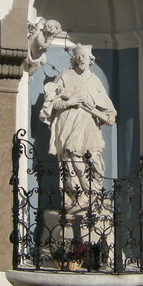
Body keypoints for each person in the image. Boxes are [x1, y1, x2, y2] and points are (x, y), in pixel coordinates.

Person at [40, 44, 116, 215]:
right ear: (74, 59)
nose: (81, 59)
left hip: (89, 127)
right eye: (78, 56)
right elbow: (52, 103)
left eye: (85, 56)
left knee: (94, 161)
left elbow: (107, 106)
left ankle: (95, 197)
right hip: (68, 126)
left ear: (90, 60)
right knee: (72, 160)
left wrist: (109, 113)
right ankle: (76, 199)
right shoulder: (65, 76)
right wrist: (68, 103)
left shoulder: (95, 81)